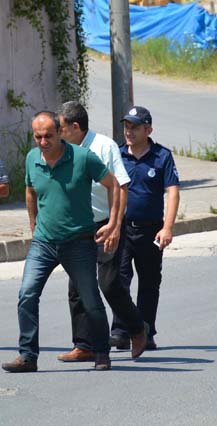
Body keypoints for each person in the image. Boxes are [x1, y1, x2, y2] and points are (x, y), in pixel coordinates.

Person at [1, 111, 119, 373]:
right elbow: (30, 191)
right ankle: (27, 356)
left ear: (60, 133)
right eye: (38, 137)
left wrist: (113, 223)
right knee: (27, 294)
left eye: (48, 136)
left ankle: (101, 352)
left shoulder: (82, 157)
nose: (43, 142)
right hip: (44, 242)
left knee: (90, 299)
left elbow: (113, 185)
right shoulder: (32, 158)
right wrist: (33, 223)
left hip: (78, 241)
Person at [56, 101, 148, 362]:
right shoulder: (63, 151)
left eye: (61, 128)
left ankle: (137, 327)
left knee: (108, 284)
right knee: (77, 287)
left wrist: (115, 226)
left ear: (75, 127)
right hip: (78, 227)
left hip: (106, 223)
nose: (57, 133)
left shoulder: (104, 146)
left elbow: (122, 187)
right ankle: (84, 345)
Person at [114, 106, 180, 350]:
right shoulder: (117, 154)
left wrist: (168, 228)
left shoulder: (162, 156)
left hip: (151, 230)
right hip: (121, 228)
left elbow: (173, 192)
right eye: (126, 126)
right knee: (118, 281)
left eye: (134, 127)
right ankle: (121, 331)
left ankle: (146, 331)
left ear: (148, 130)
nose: (129, 132)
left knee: (149, 283)